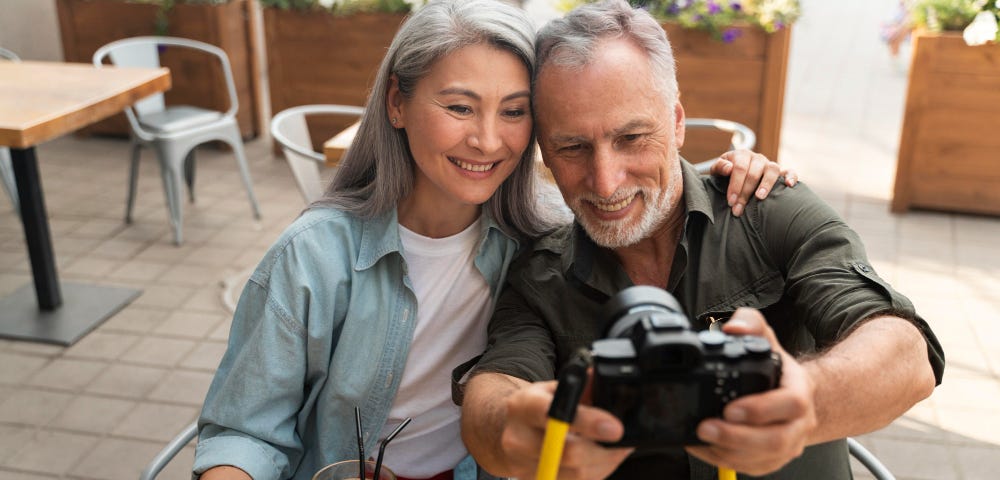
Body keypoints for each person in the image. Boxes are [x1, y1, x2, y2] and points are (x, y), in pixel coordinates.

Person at [193, 1, 789, 480]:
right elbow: (244, 433)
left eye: (514, 111)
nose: (486, 140)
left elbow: (643, 188)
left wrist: (734, 168)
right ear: (397, 103)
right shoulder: (313, 257)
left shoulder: (550, 234)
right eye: (459, 106)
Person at [458, 1, 946, 480]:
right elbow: (494, 393)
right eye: (572, 147)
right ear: (544, 149)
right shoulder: (540, 275)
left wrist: (806, 400)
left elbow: (906, 353)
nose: (605, 182)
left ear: (676, 123)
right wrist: (520, 428)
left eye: (631, 138)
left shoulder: (768, 211)